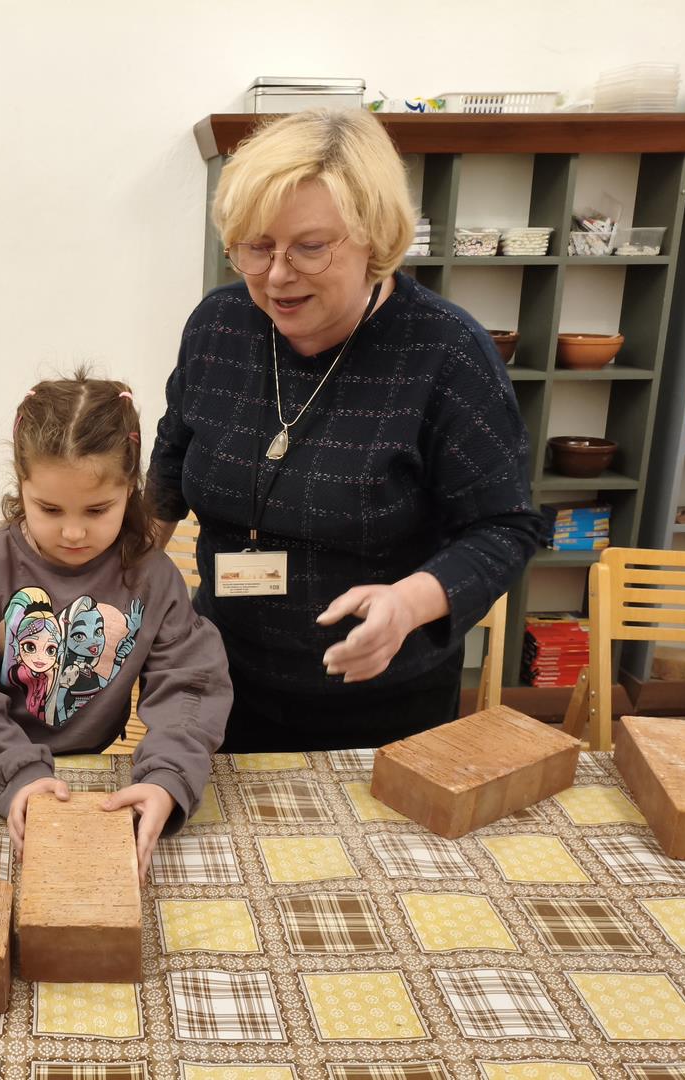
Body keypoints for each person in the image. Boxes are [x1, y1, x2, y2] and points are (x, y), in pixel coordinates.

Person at [147, 109, 545, 753]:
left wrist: (409, 603)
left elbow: (506, 527)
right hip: (220, 682)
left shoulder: (446, 353)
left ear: (375, 239)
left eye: (310, 247)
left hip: (381, 705)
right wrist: (104, 578)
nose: (277, 275)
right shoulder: (219, 326)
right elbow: (169, 470)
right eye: (255, 246)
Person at [0, 373, 231, 880]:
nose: (72, 532)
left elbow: (190, 686)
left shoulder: (152, 577)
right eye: (49, 509)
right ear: (20, 485)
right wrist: (18, 776)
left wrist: (166, 777)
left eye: (97, 510)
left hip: (94, 769)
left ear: (130, 489)